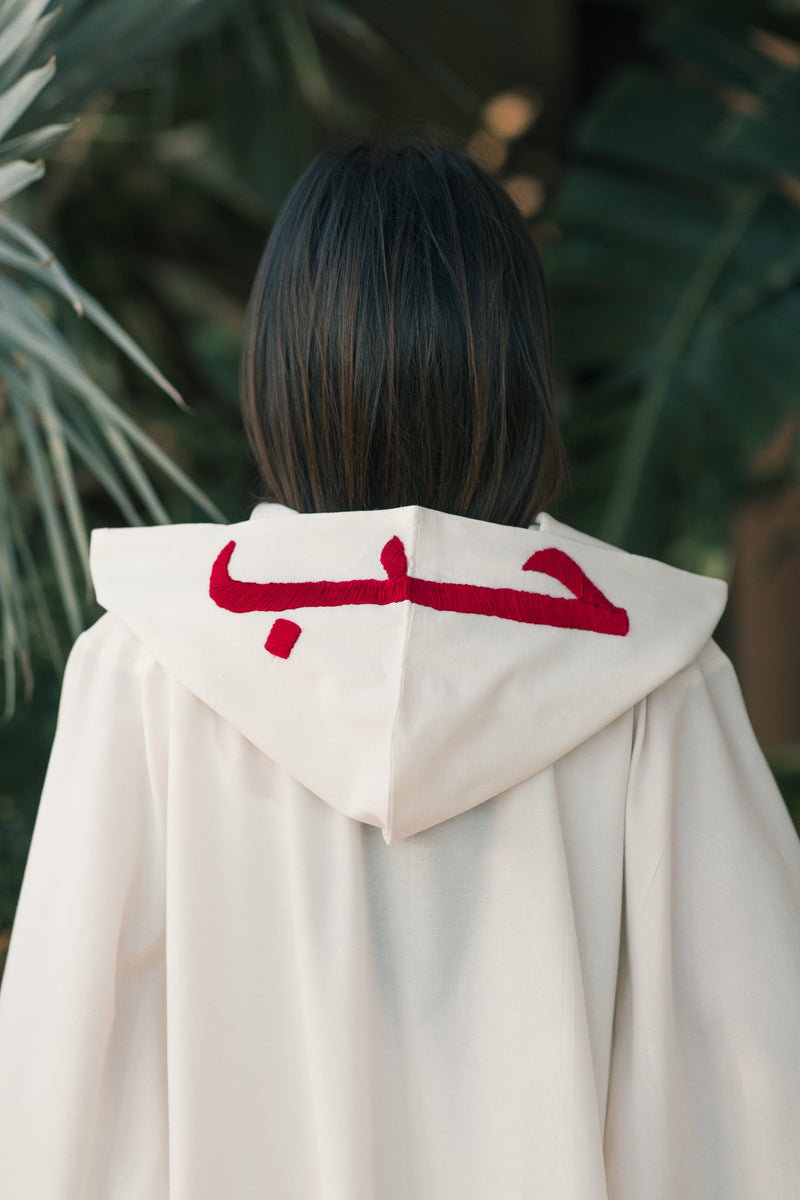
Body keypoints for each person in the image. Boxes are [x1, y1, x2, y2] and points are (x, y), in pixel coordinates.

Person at [0, 130, 798, 1200]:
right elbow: (755, 1095)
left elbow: (55, 1102)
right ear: (516, 376)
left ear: (281, 370)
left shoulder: (148, 668)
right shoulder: (652, 680)